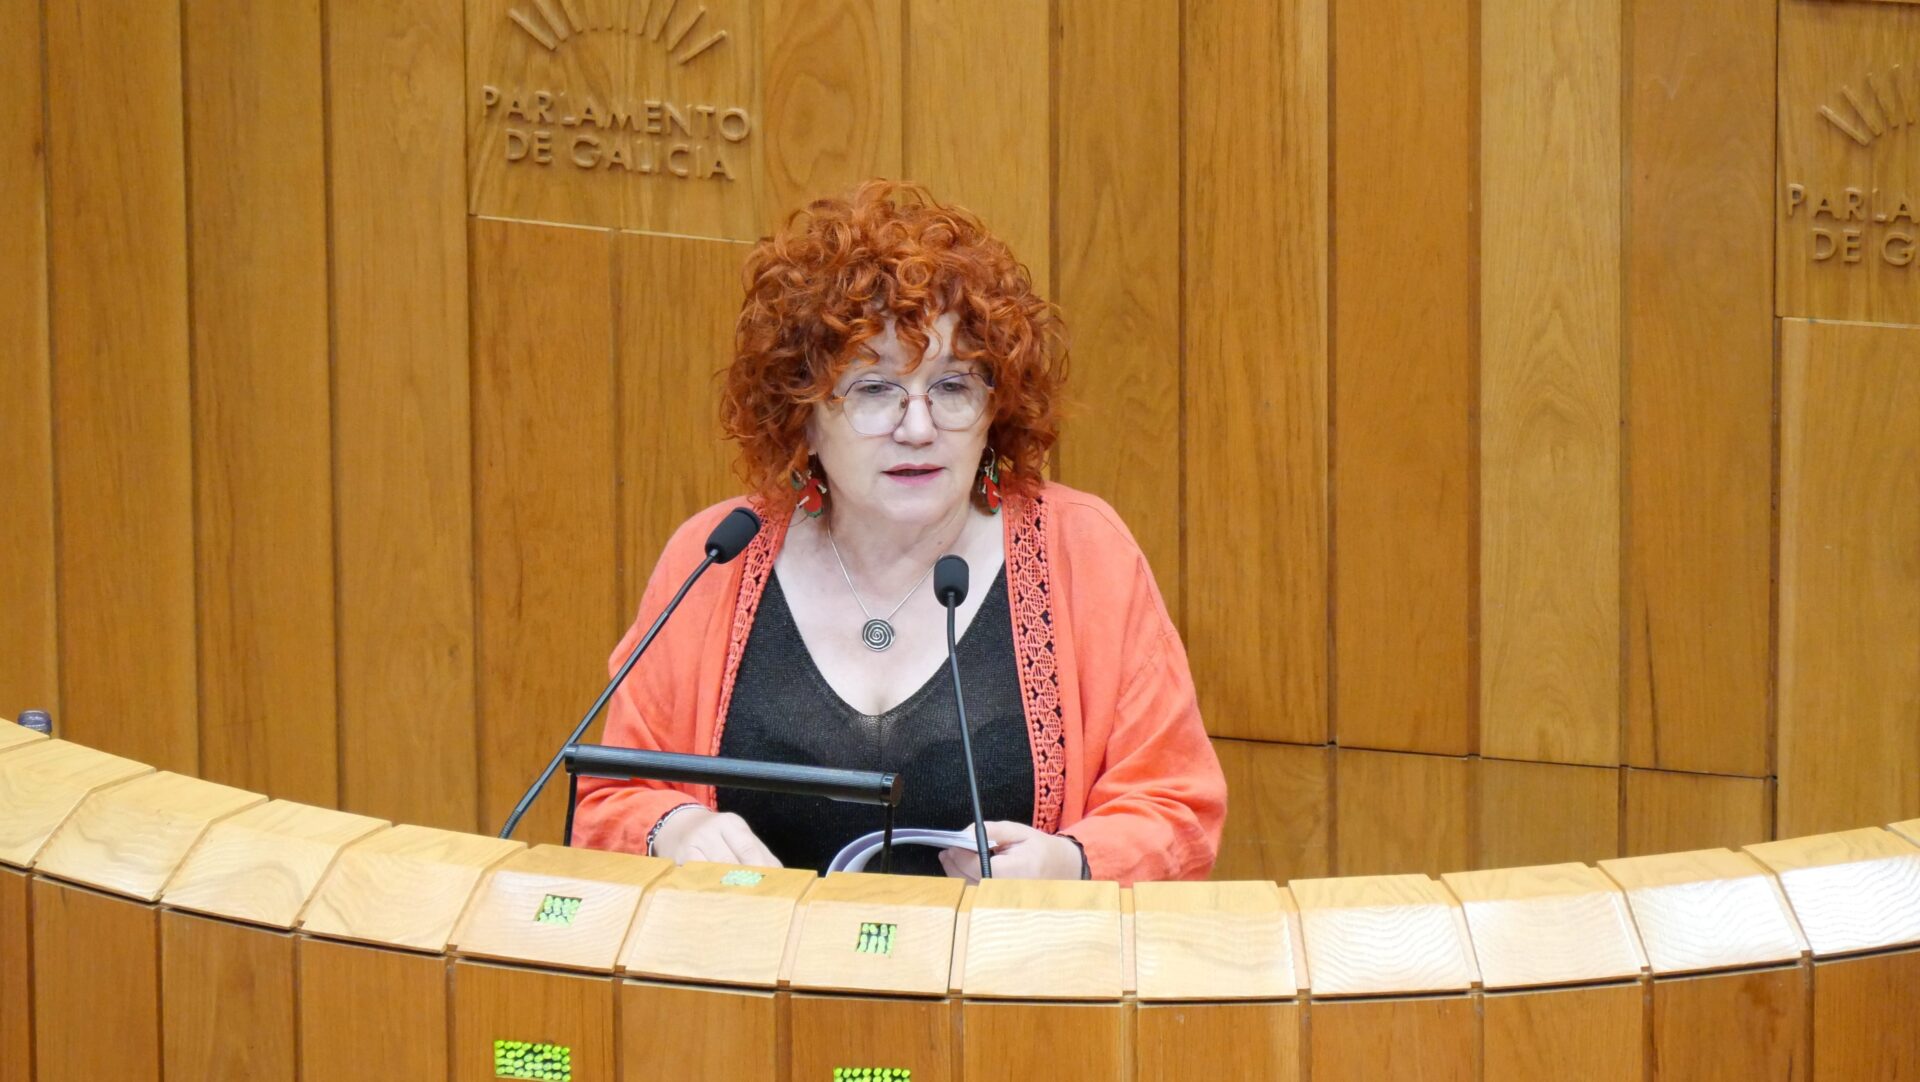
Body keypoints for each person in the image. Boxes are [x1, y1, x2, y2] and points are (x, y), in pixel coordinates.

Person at [571, 180, 1224, 884]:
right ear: (803, 413)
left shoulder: (1083, 552)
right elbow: (609, 794)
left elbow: (1174, 808)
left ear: (995, 408)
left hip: (994, 955)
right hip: (757, 955)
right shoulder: (718, 555)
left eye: (953, 387)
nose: (917, 428)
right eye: (875, 389)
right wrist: (675, 828)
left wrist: (1069, 864)